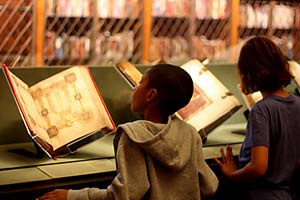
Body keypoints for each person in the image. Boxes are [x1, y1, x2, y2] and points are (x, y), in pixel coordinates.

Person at [38, 63, 219, 200]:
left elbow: (125, 195)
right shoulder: (190, 133)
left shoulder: (133, 136)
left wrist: (71, 196)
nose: (134, 88)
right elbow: (209, 186)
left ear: (151, 95)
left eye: (140, 83)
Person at [214, 36, 300, 200]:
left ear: (248, 72)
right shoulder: (298, 104)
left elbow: (258, 167)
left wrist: (232, 174)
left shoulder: (261, 110)